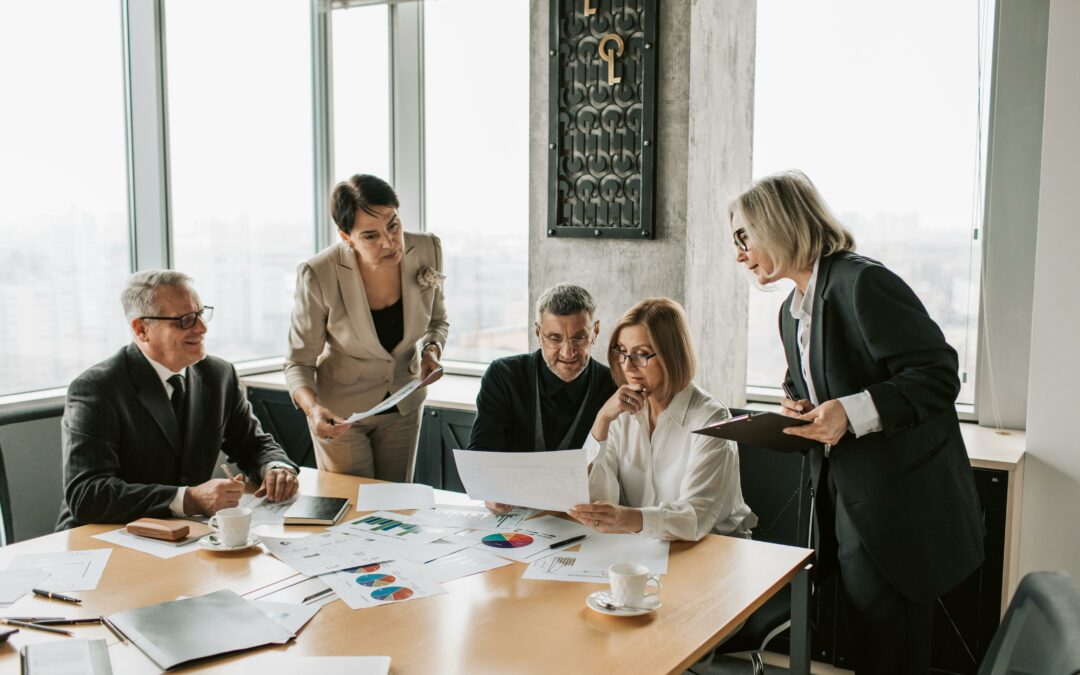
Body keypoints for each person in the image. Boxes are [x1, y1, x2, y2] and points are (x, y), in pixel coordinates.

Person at [729, 170, 983, 675]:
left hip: (898, 513)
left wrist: (851, 411)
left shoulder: (862, 282)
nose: (738, 253)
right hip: (844, 505)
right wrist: (796, 405)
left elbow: (938, 375)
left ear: (777, 224)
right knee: (869, 648)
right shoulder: (790, 312)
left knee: (893, 655)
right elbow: (815, 381)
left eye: (743, 236)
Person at [56, 271, 298, 531]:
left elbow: (252, 444)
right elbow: (87, 494)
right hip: (104, 537)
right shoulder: (97, 388)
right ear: (142, 329)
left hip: (187, 535)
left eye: (201, 314)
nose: (202, 328)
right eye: (185, 320)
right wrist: (188, 499)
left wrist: (275, 467)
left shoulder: (218, 375)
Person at [285, 174, 448, 481]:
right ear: (346, 236)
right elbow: (298, 362)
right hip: (341, 415)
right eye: (370, 236)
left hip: (403, 405)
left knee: (397, 510)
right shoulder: (318, 273)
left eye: (393, 225)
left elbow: (437, 321)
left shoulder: (428, 249)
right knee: (352, 509)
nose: (388, 242)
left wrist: (431, 350)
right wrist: (314, 410)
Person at [567, 298, 755, 541]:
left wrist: (624, 518)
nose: (628, 366)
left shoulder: (711, 418)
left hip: (711, 551)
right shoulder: (620, 413)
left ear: (672, 355)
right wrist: (601, 421)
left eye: (641, 354)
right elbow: (596, 500)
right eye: (622, 352)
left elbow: (694, 516)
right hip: (642, 548)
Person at [469, 284, 617, 513]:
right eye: (555, 339)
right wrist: (489, 489)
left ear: (595, 332)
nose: (568, 353)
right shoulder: (503, 375)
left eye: (579, 338)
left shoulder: (613, 386)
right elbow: (481, 452)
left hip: (582, 519)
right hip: (513, 515)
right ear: (538, 333)